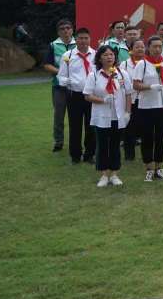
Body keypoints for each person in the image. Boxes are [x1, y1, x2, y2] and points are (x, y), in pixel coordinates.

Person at [84, 45, 132, 187]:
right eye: (105, 55)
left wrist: (128, 112)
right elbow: (87, 95)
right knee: (102, 145)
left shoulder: (122, 74)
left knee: (116, 145)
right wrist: (102, 100)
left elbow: (129, 94)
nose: (109, 57)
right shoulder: (94, 75)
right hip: (101, 116)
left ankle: (115, 174)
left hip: (118, 116)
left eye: (111, 55)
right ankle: (104, 175)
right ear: (99, 58)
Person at [132, 35, 163, 181]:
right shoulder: (143, 64)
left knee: (161, 138)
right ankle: (149, 168)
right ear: (149, 48)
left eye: (160, 46)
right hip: (146, 106)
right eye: (154, 47)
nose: (157, 49)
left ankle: (159, 167)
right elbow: (136, 84)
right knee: (147, 138)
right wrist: (149, 87)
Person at [57, 27, 97, 164]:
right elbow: (61, 76)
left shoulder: (96, 55)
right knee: (75, 126)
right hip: (74, 95)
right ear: (76, 39)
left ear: (89, 39)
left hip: (91, 95)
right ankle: (75, 155)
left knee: (91, 125)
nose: (83, 41)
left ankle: (90, 154)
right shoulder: (67, 56)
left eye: (86, 38)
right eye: (80, 38)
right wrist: (67, 81)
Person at [43, 18, 75, 153]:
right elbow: (47, 65)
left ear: (72, 30)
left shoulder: (78, 44)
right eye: (62, 29)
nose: (66, 31)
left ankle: (75, 142)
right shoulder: (53, 45)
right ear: (58, 32)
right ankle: (58, 142)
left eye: (68, 28)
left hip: (76, 87)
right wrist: (61, 73)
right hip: (59, 87)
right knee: (59, 116)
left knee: (75, 116)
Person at [118, 38, 145, 160]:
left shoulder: (148, 63)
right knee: (129, 128)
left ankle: (147, 154)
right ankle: (129, 155)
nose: (140, 49)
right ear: (131, 50)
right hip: (130, 99)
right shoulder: (124, 65)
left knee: (145, 127)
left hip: (145, 99)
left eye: (142, 47)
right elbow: (120, 82)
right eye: (137, 47)